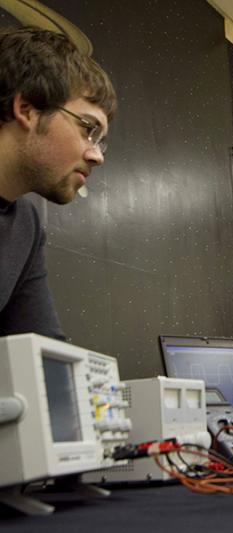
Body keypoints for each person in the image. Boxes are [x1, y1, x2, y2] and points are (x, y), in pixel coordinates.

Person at [0, 26, 116, 338]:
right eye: (88, 129)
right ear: (27, 110)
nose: (96, 156)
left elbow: (44, 352)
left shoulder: (25, 225)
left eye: (101, 141)